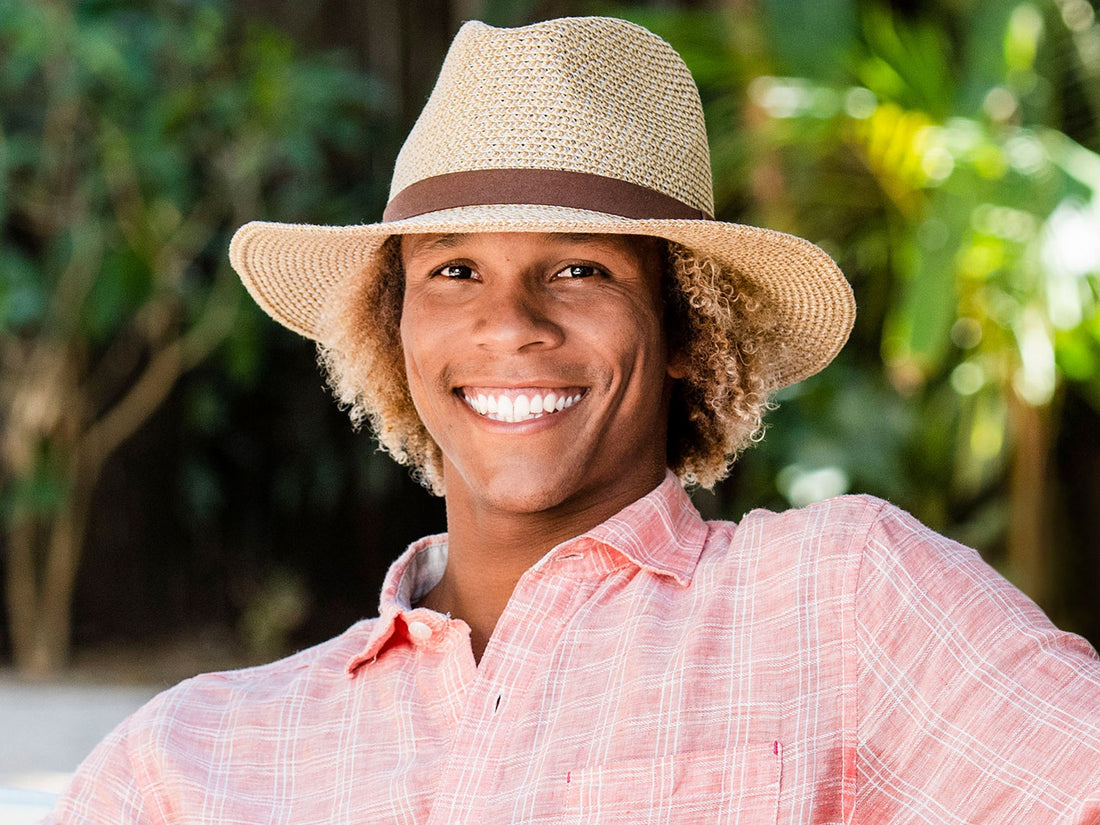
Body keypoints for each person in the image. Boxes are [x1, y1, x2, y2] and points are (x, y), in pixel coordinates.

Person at [46, 16, 1100, 824]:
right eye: (454, 270)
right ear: (391, 330)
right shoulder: (197, 757)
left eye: (578, 268)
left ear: (687, 323)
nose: (509, 323)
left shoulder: (842, 600)